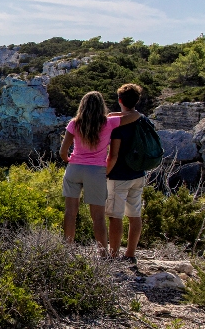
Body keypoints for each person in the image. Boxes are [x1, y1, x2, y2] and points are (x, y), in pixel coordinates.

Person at [59, 91, 140, 253]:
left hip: (74, 169)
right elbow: (136, 115)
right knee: (98, 217)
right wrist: (112, 114)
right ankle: (103, 254)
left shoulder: (74, 124)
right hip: (96, 171)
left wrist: (70, 161)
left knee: (70, 212)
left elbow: (63, 151)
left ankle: (67, 250)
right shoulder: (108, 123)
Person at [105, 83, 145, 263]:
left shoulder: (119, 126)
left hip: (119, 175)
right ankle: (130, 254)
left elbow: (113, 155)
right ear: (137, 101)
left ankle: (113, 255)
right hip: (138, 174)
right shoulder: (143, 120)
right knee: (135, 215)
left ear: (120, 100)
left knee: (115, 216)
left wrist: (105, 173)